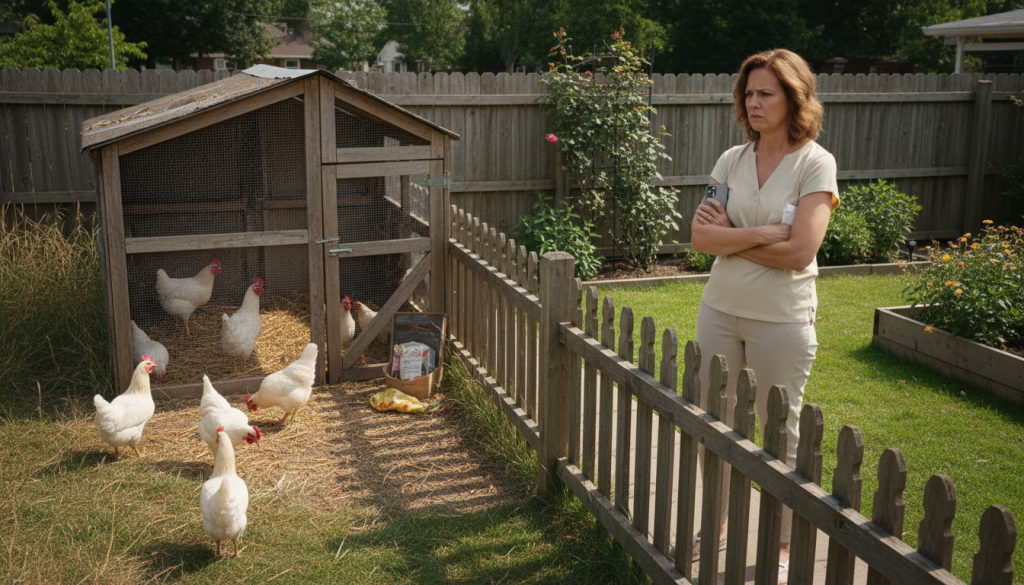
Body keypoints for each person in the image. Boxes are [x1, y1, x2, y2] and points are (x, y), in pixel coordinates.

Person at [690, 48, 838, 584]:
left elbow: (800, 253)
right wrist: (757, 235)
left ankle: (780, 542)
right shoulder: (730, 161)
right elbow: (700, 236)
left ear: (793, 98)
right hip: (720, 311)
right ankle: (720, 523)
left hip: (781, 318)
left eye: (765, 93)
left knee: (781, 430)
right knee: (717, 421)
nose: (753, 102)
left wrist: (730, 240)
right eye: (748, 93)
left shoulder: (815, 164)